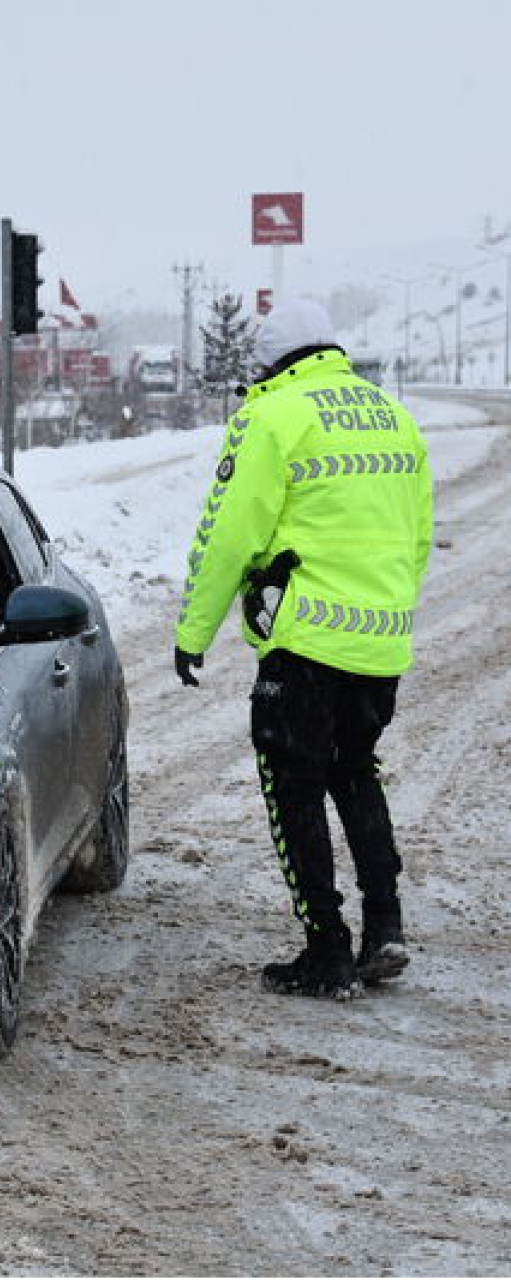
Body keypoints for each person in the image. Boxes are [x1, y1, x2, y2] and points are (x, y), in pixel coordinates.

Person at [174, 297, 433, 999]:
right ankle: (386, 926)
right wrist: (384, 610)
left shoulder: (272, 416)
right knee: (356, 771)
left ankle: (327, 951)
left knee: (294, 789)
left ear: (272, 362)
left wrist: (193, 633)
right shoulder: (394, 418)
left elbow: (227, 533)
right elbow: (416, 540)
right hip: (380, 645)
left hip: (307, 645)